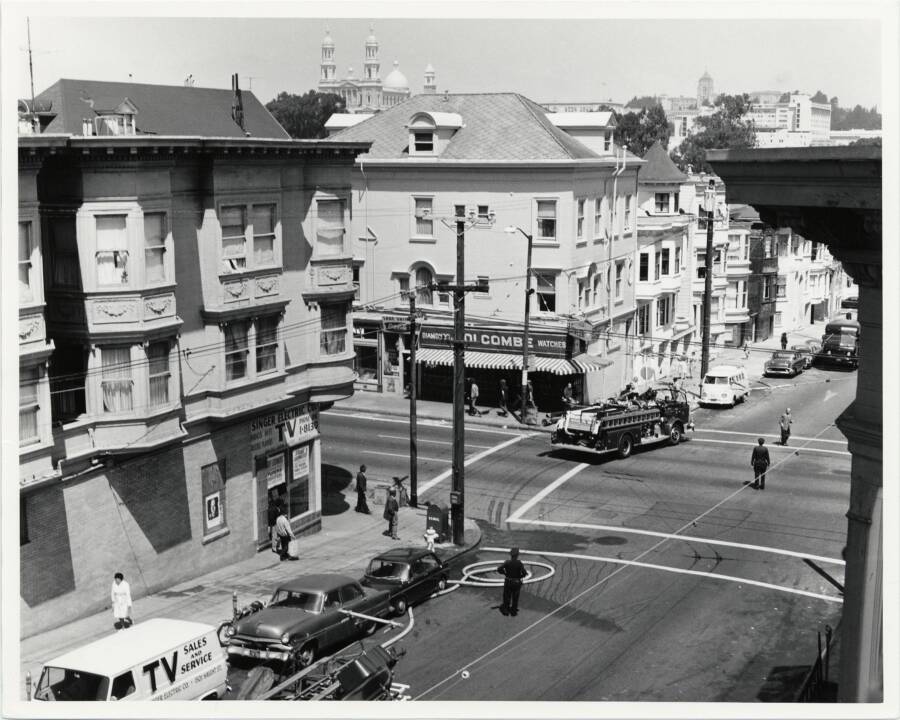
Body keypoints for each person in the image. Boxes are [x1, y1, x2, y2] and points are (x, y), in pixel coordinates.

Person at [497, 547, 528, 616]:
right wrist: (520, 576)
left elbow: (499, 569)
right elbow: (524, 573)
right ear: (517, 555)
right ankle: (514, 610)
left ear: (510, 555)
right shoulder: (519, 563)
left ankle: (506, 609)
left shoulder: (507, 562)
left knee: (507, 596)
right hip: (516, 582)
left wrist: (504, 573)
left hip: (508, 581)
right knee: (515, 597)